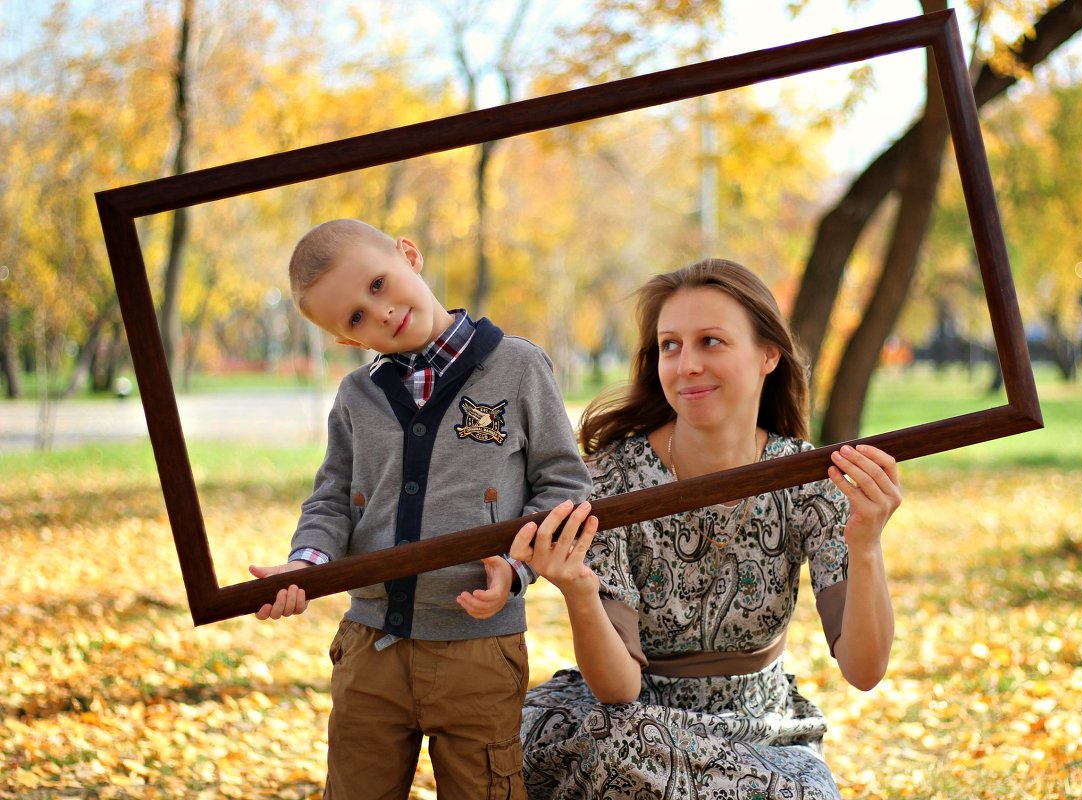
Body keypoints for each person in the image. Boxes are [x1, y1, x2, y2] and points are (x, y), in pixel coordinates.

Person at [509, 257, 902, 799]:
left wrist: (866, 545)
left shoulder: (811, 480)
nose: (686, 364)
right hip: (626, 722)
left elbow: (863, 669)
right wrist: (579, 589)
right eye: (670, 345)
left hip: (757, 730)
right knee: (619, 751)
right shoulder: (612, 480)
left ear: (769, 354)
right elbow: (617, 690)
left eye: (711, 341)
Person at [249, 218, 592, 799]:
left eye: (379, 284)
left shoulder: (517, 366)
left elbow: (564, 486)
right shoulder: (357, 396)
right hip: (370, 647)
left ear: (409, 255)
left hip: (477, 647)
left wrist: (516, 570)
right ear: (347, 341)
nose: (379, 312)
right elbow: (332, 497)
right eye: (355, 317)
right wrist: (307, 564)